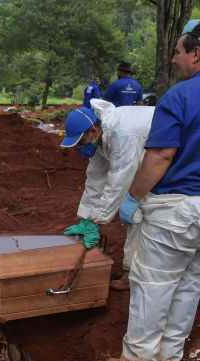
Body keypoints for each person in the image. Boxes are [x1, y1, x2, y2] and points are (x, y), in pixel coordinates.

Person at [105, 19, 200, 361]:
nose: (174, 60)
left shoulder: (180, 96)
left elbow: (160, 155)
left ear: (195, 53)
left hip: (177, 211)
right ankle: (170, 355)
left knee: (153, 282)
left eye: (178, 52)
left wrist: (133, 198)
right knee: (189, 282)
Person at [60, 101, 155, 289]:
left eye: (81, 142)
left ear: (93, 131)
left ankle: (133, 274)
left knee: (139, 209)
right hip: (140, 154)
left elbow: (120, 181)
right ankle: (133, 270)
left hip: (165, 153)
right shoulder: (100, 137)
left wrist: (99, 219)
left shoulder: (122, 135)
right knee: (132, 206)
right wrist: (86, 218)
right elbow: (95, 178)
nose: (80, 148)